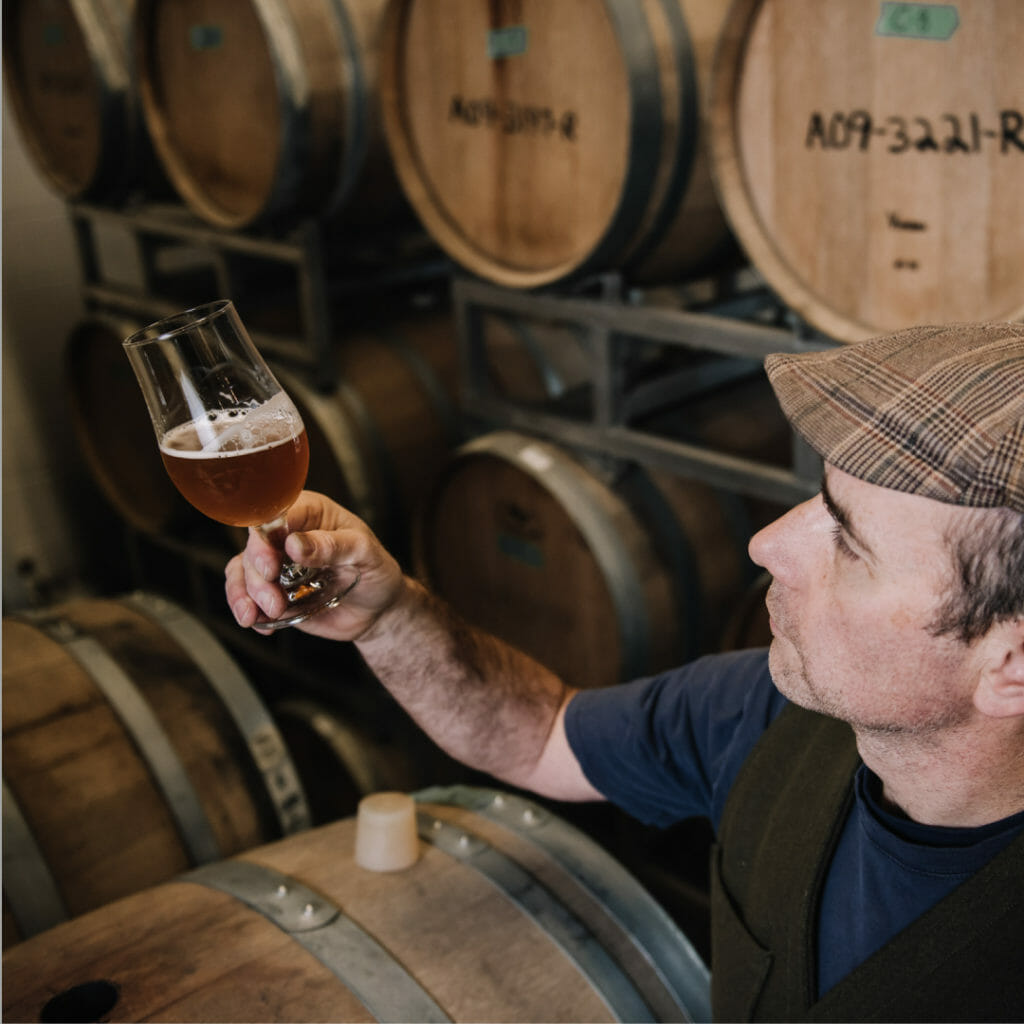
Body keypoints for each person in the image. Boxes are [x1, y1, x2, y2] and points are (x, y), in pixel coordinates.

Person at [226, 321, 1024, 1021]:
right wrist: (389, 616)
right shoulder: (767, 715)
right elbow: (540, 737)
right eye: (817, 497)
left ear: (1011, 665)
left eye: (850, 542)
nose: (769, 543)